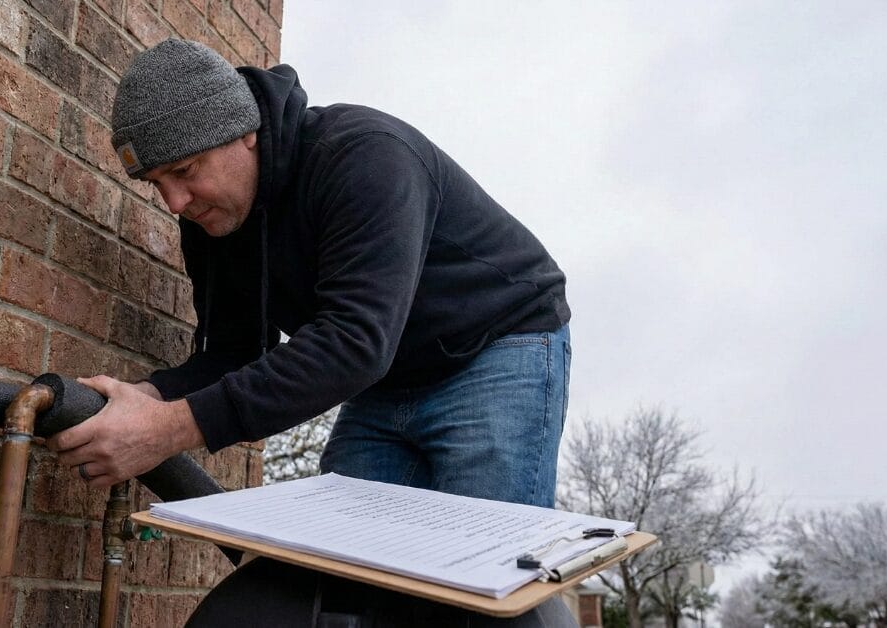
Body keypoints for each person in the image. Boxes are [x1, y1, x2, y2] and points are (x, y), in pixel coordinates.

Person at [47, 39, 572, 508]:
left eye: (185, 171)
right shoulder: (214, 217)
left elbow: (354, 340)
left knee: (482, 568)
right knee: (341, 574)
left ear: (244, 132)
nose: (176, 202)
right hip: (385, 375)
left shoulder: (365, 157)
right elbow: (234, 353)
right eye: (158, 184)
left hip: (496, 349)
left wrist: (169, 430)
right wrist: (147, 397)